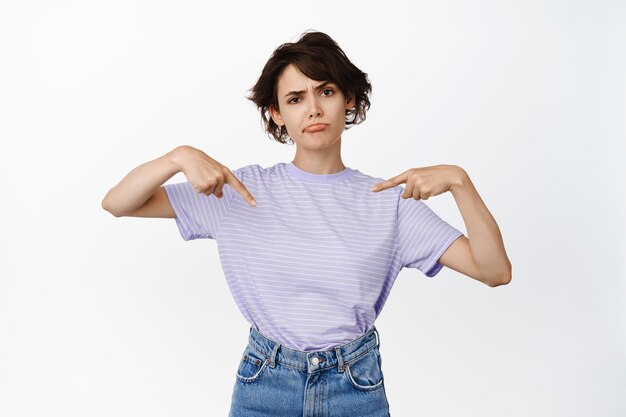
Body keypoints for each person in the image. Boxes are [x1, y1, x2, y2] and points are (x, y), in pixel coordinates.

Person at [102, 30, 512, 417]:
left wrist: (461, 182)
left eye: (326, 92)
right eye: (296, 98)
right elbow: (118, 203)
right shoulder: (241, 192)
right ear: (276, 114)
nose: (314, 108)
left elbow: (494, 271)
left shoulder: (390, 203)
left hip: (354, 386)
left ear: (348, 99)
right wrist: (177, 156)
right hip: (265, 384)